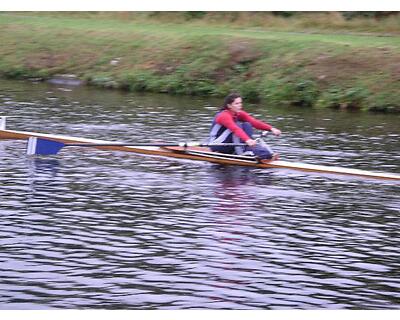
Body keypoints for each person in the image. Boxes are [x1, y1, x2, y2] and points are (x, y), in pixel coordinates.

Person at [208, 93, 281, 161]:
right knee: (238, 125)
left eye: (240, 103)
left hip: (229, 143)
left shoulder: (238, 113)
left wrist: (272, 129)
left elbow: (254, 122)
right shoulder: (223, 116)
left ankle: (251, 150)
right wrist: (247, 140)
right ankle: (245, 152)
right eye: (236, 103)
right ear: (229, 106)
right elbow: (235, 129)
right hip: (217, 145)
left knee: (247, 124)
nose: (240, 105)